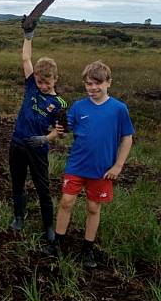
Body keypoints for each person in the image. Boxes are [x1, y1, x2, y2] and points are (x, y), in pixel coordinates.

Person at [44, 61, 134, 269]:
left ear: (108, 83)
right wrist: (60, 129)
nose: (92, 88)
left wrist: (118, 166)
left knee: (93, 207)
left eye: (97, 84)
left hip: (102, 169)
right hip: (77, 164)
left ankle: (88, 249)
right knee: (66, 202)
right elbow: (66, 130)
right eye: (88, 84)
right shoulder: (78, 106)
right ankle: (57, 243)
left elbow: (127, 138)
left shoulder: (119, 109)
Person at [9, 20, 67, 242]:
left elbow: (59, 131)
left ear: (55, 79)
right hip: (17, 142)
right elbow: (26, 58)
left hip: (38, 146)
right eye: (40, 81)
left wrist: (45, 138)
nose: (43, 85)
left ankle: (49, 226)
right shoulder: (31, 85)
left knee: (43, 187)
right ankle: (18, 216)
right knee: (17, 181)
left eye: (47, 82)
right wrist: (28, 35)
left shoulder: (60, 103)